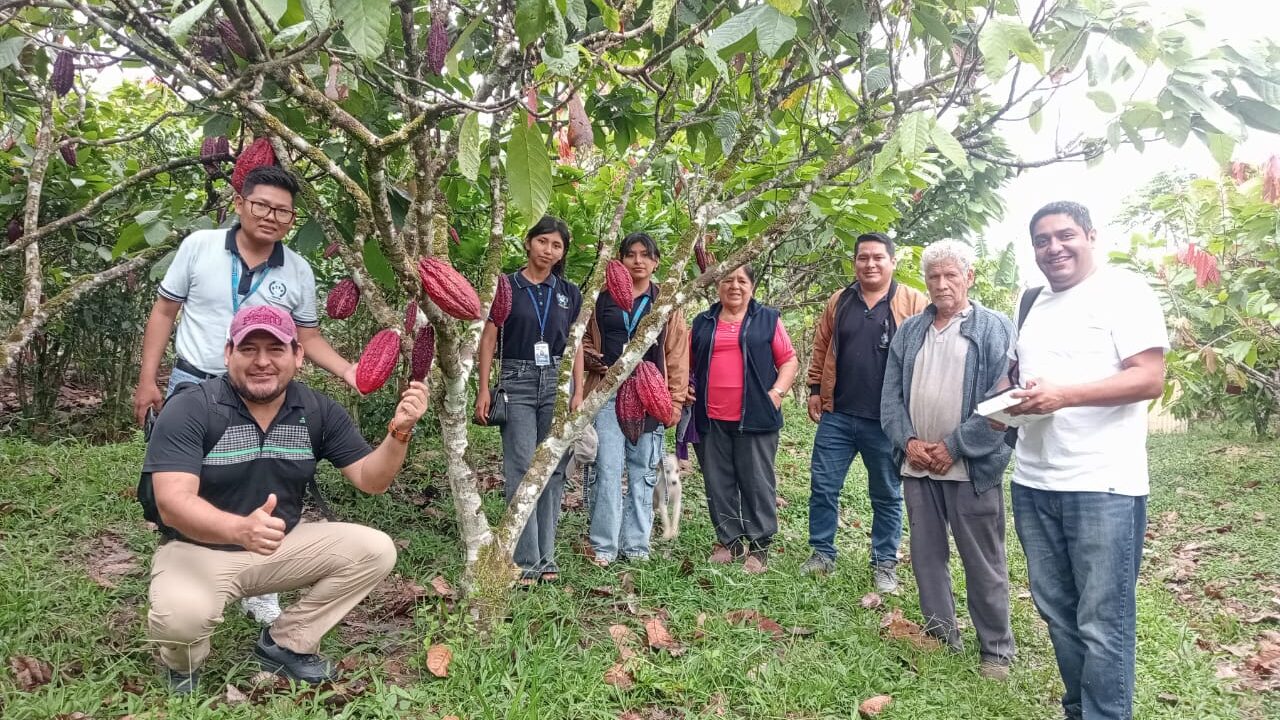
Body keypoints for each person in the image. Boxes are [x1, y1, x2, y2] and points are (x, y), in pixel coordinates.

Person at [142, 305, 428, 694]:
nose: (262, 361)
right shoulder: (192, 407)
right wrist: (238, 528)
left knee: (375, 550)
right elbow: (172, 502)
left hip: (278, 546)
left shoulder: (315, 409)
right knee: (181, 621)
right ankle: (182, 666)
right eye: (249, 349)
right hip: (196, 548)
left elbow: (370, 479)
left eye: (275, 349)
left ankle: (285, 643)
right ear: (228, 354)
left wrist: (399, 431)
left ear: (298, 355)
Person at [133, 165, 361, 624]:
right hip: (195, 383)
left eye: (283, 211)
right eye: (262, 205)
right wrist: (147, 378)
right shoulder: (199, 247)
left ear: (292, 218)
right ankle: (189, 563)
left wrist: (348, 370)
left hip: (262, 389)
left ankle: (259, 582)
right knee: (185, 482)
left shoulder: (297, 269)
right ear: (240, 203)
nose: (271, 217)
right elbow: (164, 312)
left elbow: (308, 337)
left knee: (262, 477)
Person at [1003, 201, 1167, 720]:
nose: (1054, 248)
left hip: (1103, 485)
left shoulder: (1124, 292)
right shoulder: (1031, 302)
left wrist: (1064, 396)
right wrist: (1004, 404)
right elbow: (1021, 376)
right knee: (1057, 614)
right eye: (1042, 240)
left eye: (1065, 235)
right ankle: (1079, 710)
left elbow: (1149, 378)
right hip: (1033, 480)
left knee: (1102, 621)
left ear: (1091, 236)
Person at [879, 240, 1016, 679]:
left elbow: (1004, 402)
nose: (941, 284)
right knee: (926, 556)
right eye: (933, 276)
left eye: (950, 275)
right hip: (917, 465)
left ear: (968, 277)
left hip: (970, 468)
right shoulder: (910, 331)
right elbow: (890, 398)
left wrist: (954, 446)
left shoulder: (994, 327)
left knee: (982, 560)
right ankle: (940, 636)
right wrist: (908, 442)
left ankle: (995, 651)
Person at [803, 232, 928, 590]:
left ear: (892, 262)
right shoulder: (840, 300)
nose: (870, 264)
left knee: (886, 493)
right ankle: (822, 553)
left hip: (887, 421)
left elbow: (927, 353)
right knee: (824, 486)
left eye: (877, 257)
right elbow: (822, 345)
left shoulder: (913, 302)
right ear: (855, 262)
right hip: (838, 414)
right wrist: (815, 389)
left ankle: (884, 562)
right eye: (863, 257)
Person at [474, 216, 584, 585]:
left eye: (556, 245)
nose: (548, 251)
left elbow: (576, 344)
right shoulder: (506, 286)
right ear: (528, 242)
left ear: (562, 252)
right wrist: (484, 387)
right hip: (516, 380)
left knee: (552, 469)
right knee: (522, 468)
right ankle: (525, 560)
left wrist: (577, 392)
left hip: (556, 379)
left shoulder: (568, 292)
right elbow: (489, 337)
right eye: (542, 241)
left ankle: (547, 558)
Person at [583, 232, 689, 566]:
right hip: (608, 393)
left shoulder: (665, 303)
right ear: (620, 260)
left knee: (643, 471)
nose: (638, 261)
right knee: (608, 468)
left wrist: (675, 401)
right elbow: (582, 339)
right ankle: (604, 546)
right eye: (631, 254)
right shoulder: (602, 298)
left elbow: (677, 355)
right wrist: (591, 358)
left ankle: (636, 545)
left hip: (650, 397)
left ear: (656, 262)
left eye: (645, 255)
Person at [688, 265, 798, 573]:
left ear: (752, 286)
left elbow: (789, 360)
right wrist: (685, 388)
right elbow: (687, 362)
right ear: (717, 286)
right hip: (710, 416)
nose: (734, 286)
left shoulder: (767, 319)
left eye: (742, 280)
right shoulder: (703, 321)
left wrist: (776, 393)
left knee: (756, 481)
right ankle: (730, 542)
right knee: (717, 480)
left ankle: (759, 546)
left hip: (756, 415)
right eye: (728, 280)